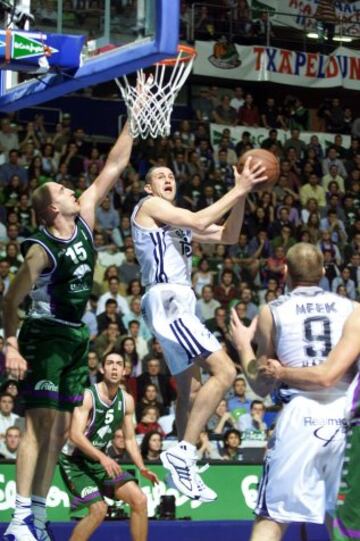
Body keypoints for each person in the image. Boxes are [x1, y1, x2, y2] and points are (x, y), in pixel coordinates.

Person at [3, 118, 135, 541]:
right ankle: (20, 518)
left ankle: (37, 518)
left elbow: (113, 167)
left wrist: (134, 118)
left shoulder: (84, 221)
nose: (71, 190)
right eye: (62, 191)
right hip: (43, 334)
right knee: (39, 426)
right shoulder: (41, 251)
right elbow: (9, 301)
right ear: (51, 210)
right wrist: (11, 343)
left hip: (76, 336)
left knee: (59, 432)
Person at [131, 158, 267, 501]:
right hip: (168, 299)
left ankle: (182, 469)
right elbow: (198, 219)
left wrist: (242, 196)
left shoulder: (178, 223)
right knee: (224, 370)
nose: (168, 178)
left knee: (189, 393)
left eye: (172, 174)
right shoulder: (148, 206)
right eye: (160, 175)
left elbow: (229, 236)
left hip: (175, 304)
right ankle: (185, 451)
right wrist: (238, 187)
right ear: (149, 188)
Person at [230, 242, 356, 541]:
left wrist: (242, 345)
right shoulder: (354, 310)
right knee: (344, 521)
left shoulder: (271, 311)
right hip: (348, 418)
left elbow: (260, 384)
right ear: (324, 271)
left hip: (300, 415)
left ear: (284, 271)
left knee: (271, 518)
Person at [259, 307, 360, 541]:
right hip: (336, 421)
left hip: (321, 418)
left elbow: (325, 376)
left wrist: (246, 348)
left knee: (272, 518)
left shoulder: (354, 315)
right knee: (340, 513)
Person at [59, 352, 158, 541]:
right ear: (102, 369)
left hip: (98, 460)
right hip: (75, 461)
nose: (114, 367)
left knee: (140, 500)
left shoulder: (127, 400)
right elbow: (75, 435)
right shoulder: (88, 395)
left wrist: (142, 467)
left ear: (124, 371)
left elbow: (129, 439)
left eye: (118, 364)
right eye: (110, 363)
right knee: (99, 509)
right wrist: (103, 457)